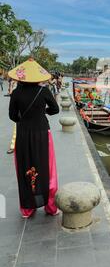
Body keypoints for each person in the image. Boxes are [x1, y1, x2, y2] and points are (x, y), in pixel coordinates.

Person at [8, 58, 60, 218]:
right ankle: (50, 207)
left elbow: (12, 116)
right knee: (46, 169)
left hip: (23, 134)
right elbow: (55, 109)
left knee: (25, 168)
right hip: (42, 134)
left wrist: (24, 119)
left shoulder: (16, 92)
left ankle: (27, 209)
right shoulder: (43, 91)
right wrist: (43, 112)